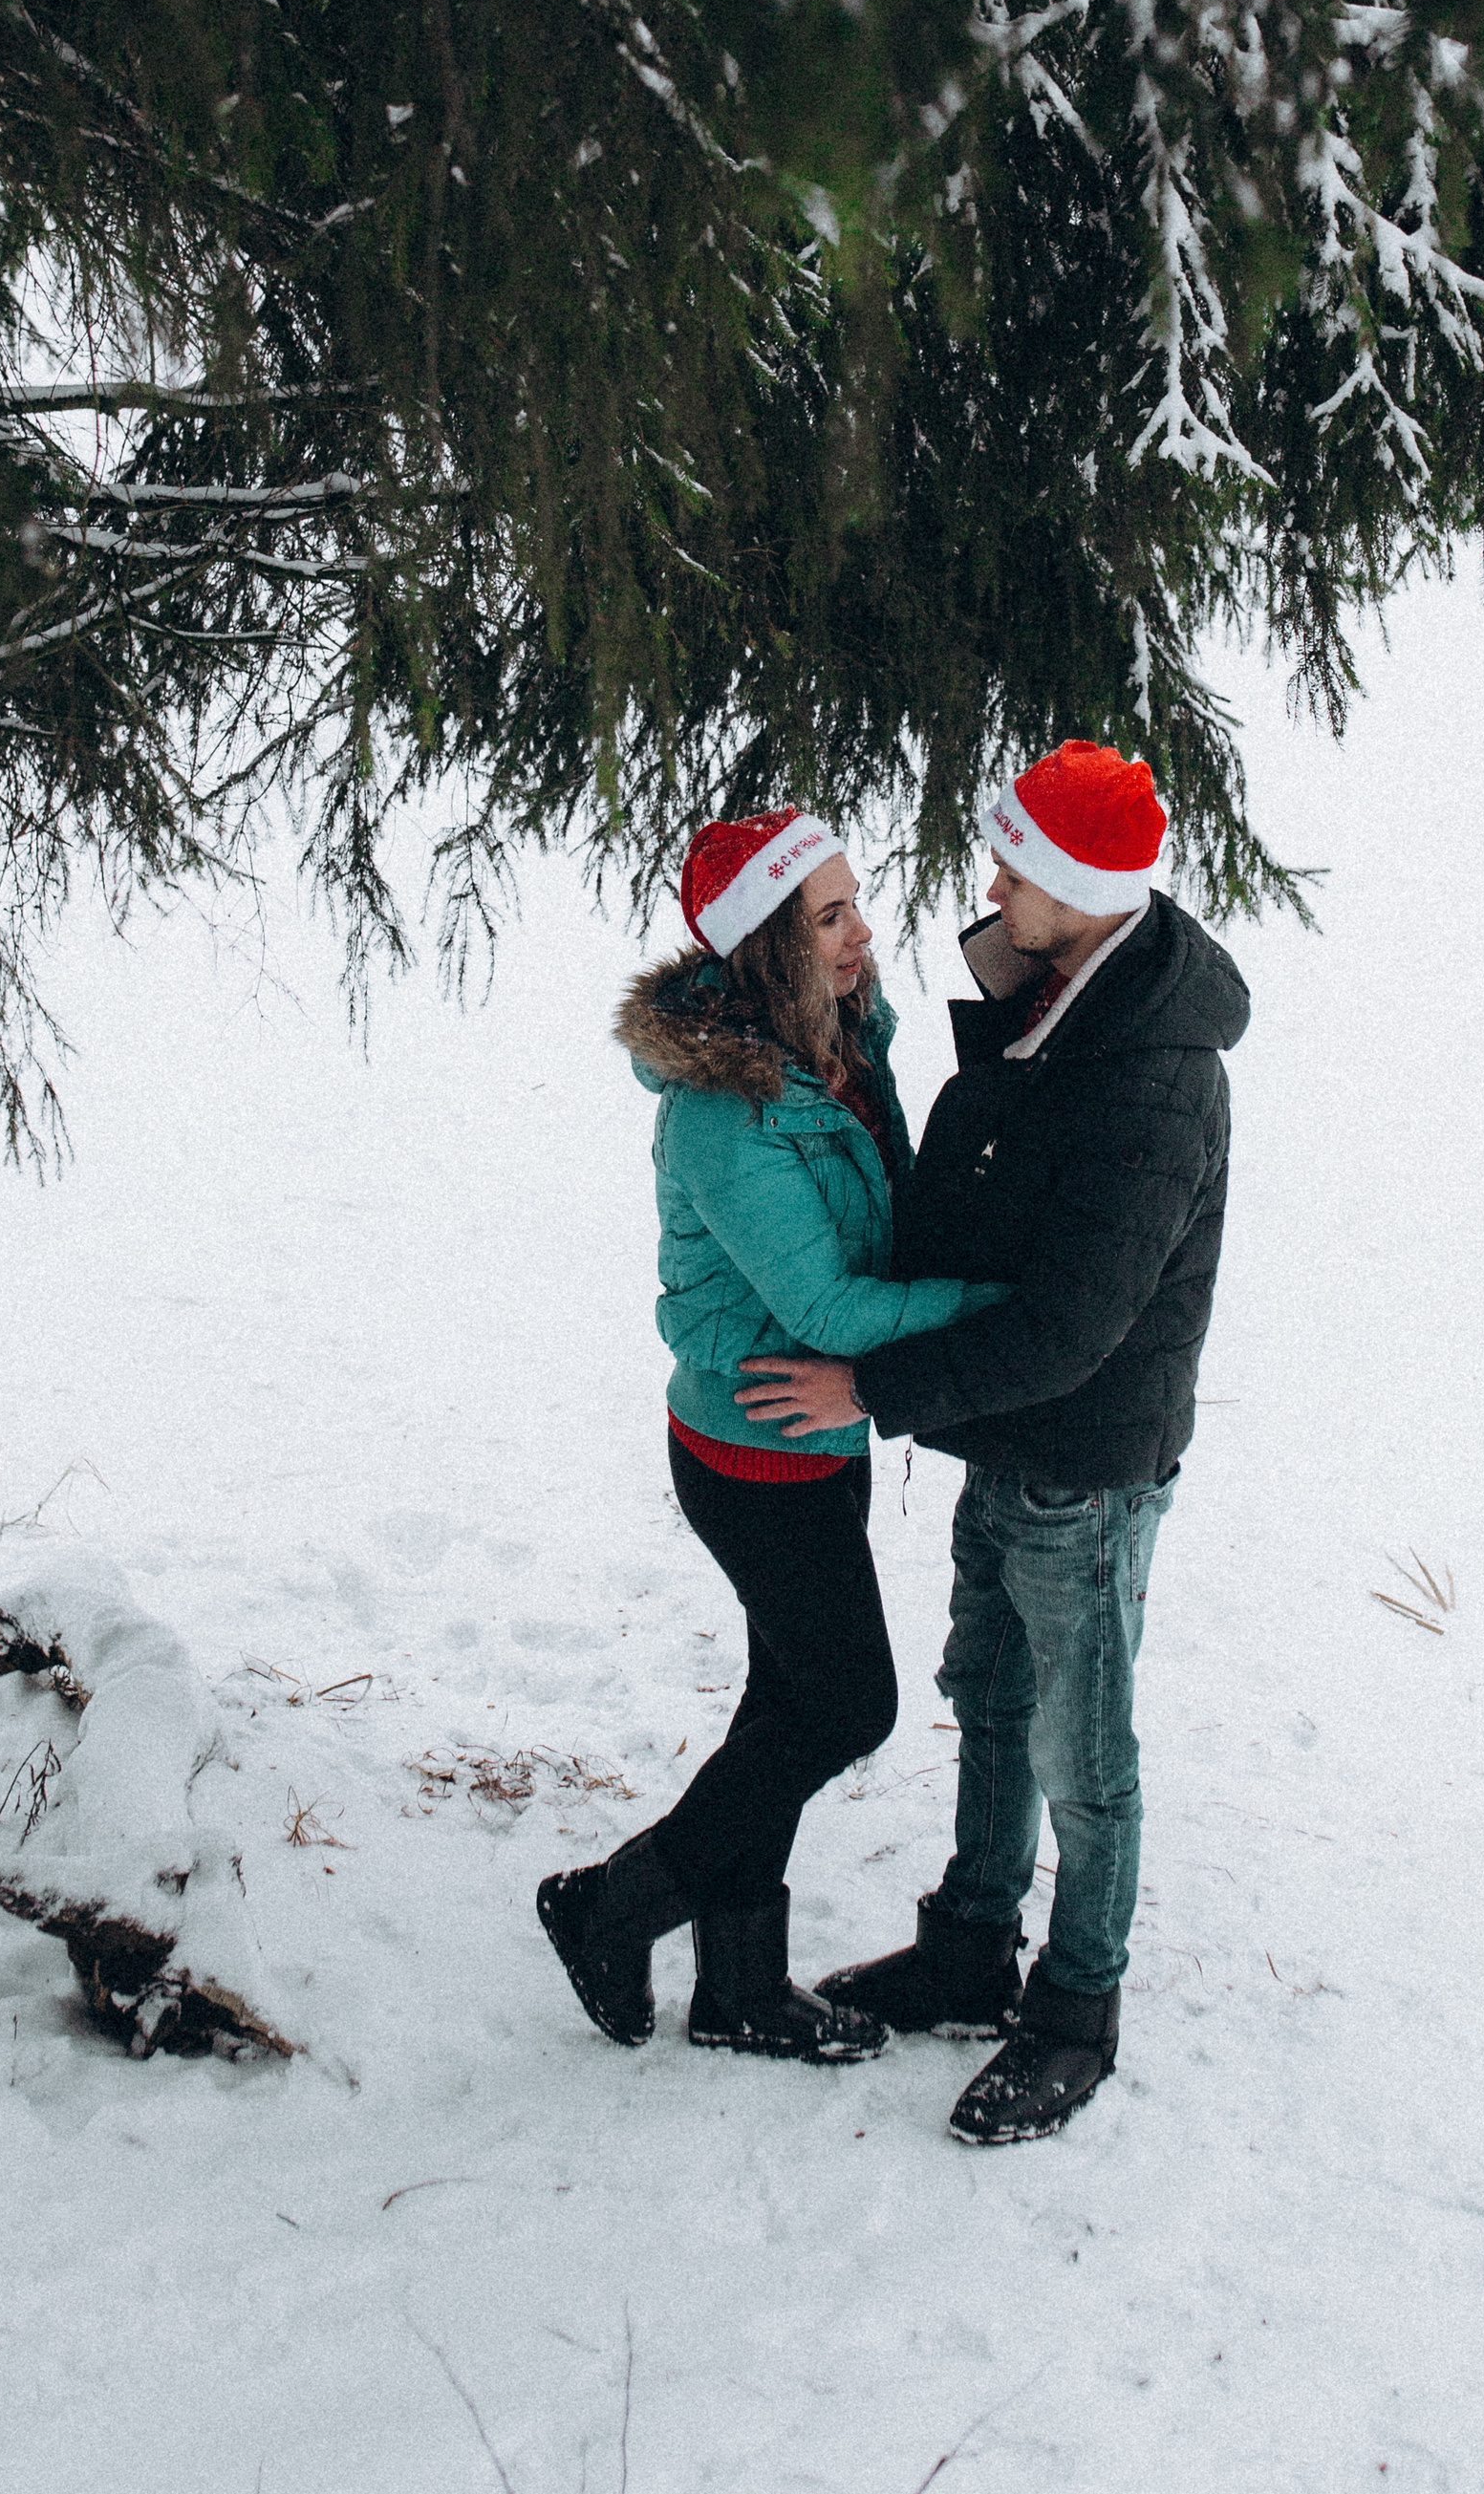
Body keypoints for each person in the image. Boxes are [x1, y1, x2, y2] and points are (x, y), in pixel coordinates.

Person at [741, 740, 1249, 2145]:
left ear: (1080, 889)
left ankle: (1076, 2004)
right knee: (995, 1697)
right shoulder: (1061, 993)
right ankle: (970, 1943)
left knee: (1084, 1749)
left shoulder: (1153, 1076)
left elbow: (1072, 1324)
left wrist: (874, 1385)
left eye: (1017, 865)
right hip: (1006, 1438)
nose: (991, 881)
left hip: (1082, 1460)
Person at [536, 806, 1011, 2065]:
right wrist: (1007, 1304)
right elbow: (829, 1307)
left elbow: (881, 1222)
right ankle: (611, 1904)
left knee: (783, 1703)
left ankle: (742, 1985)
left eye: (856, 902)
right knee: (847, 1705)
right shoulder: (725, 1111)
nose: (866, 932)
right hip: (754, 1453)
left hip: (819, 1437)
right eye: (831, 916)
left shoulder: (842, 1042)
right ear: (766, 947)